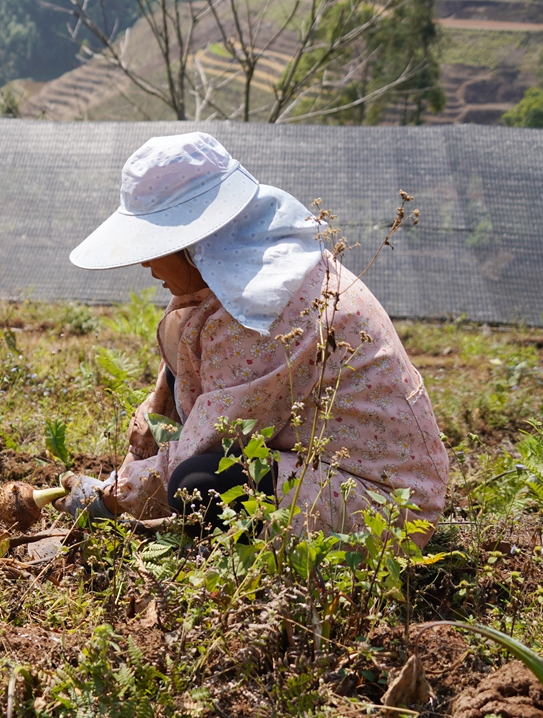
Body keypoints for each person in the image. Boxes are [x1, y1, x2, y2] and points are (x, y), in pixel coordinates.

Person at [53, 132, 448, 547]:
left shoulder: (265, 318)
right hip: (326, 462)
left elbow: (209, 443)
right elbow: (187, 361)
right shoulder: (264, 271)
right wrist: (156, 406)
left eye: (156, 245)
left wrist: (112, 496)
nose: (146, 260)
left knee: (203, 484)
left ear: (197, 244)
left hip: (382, 504)